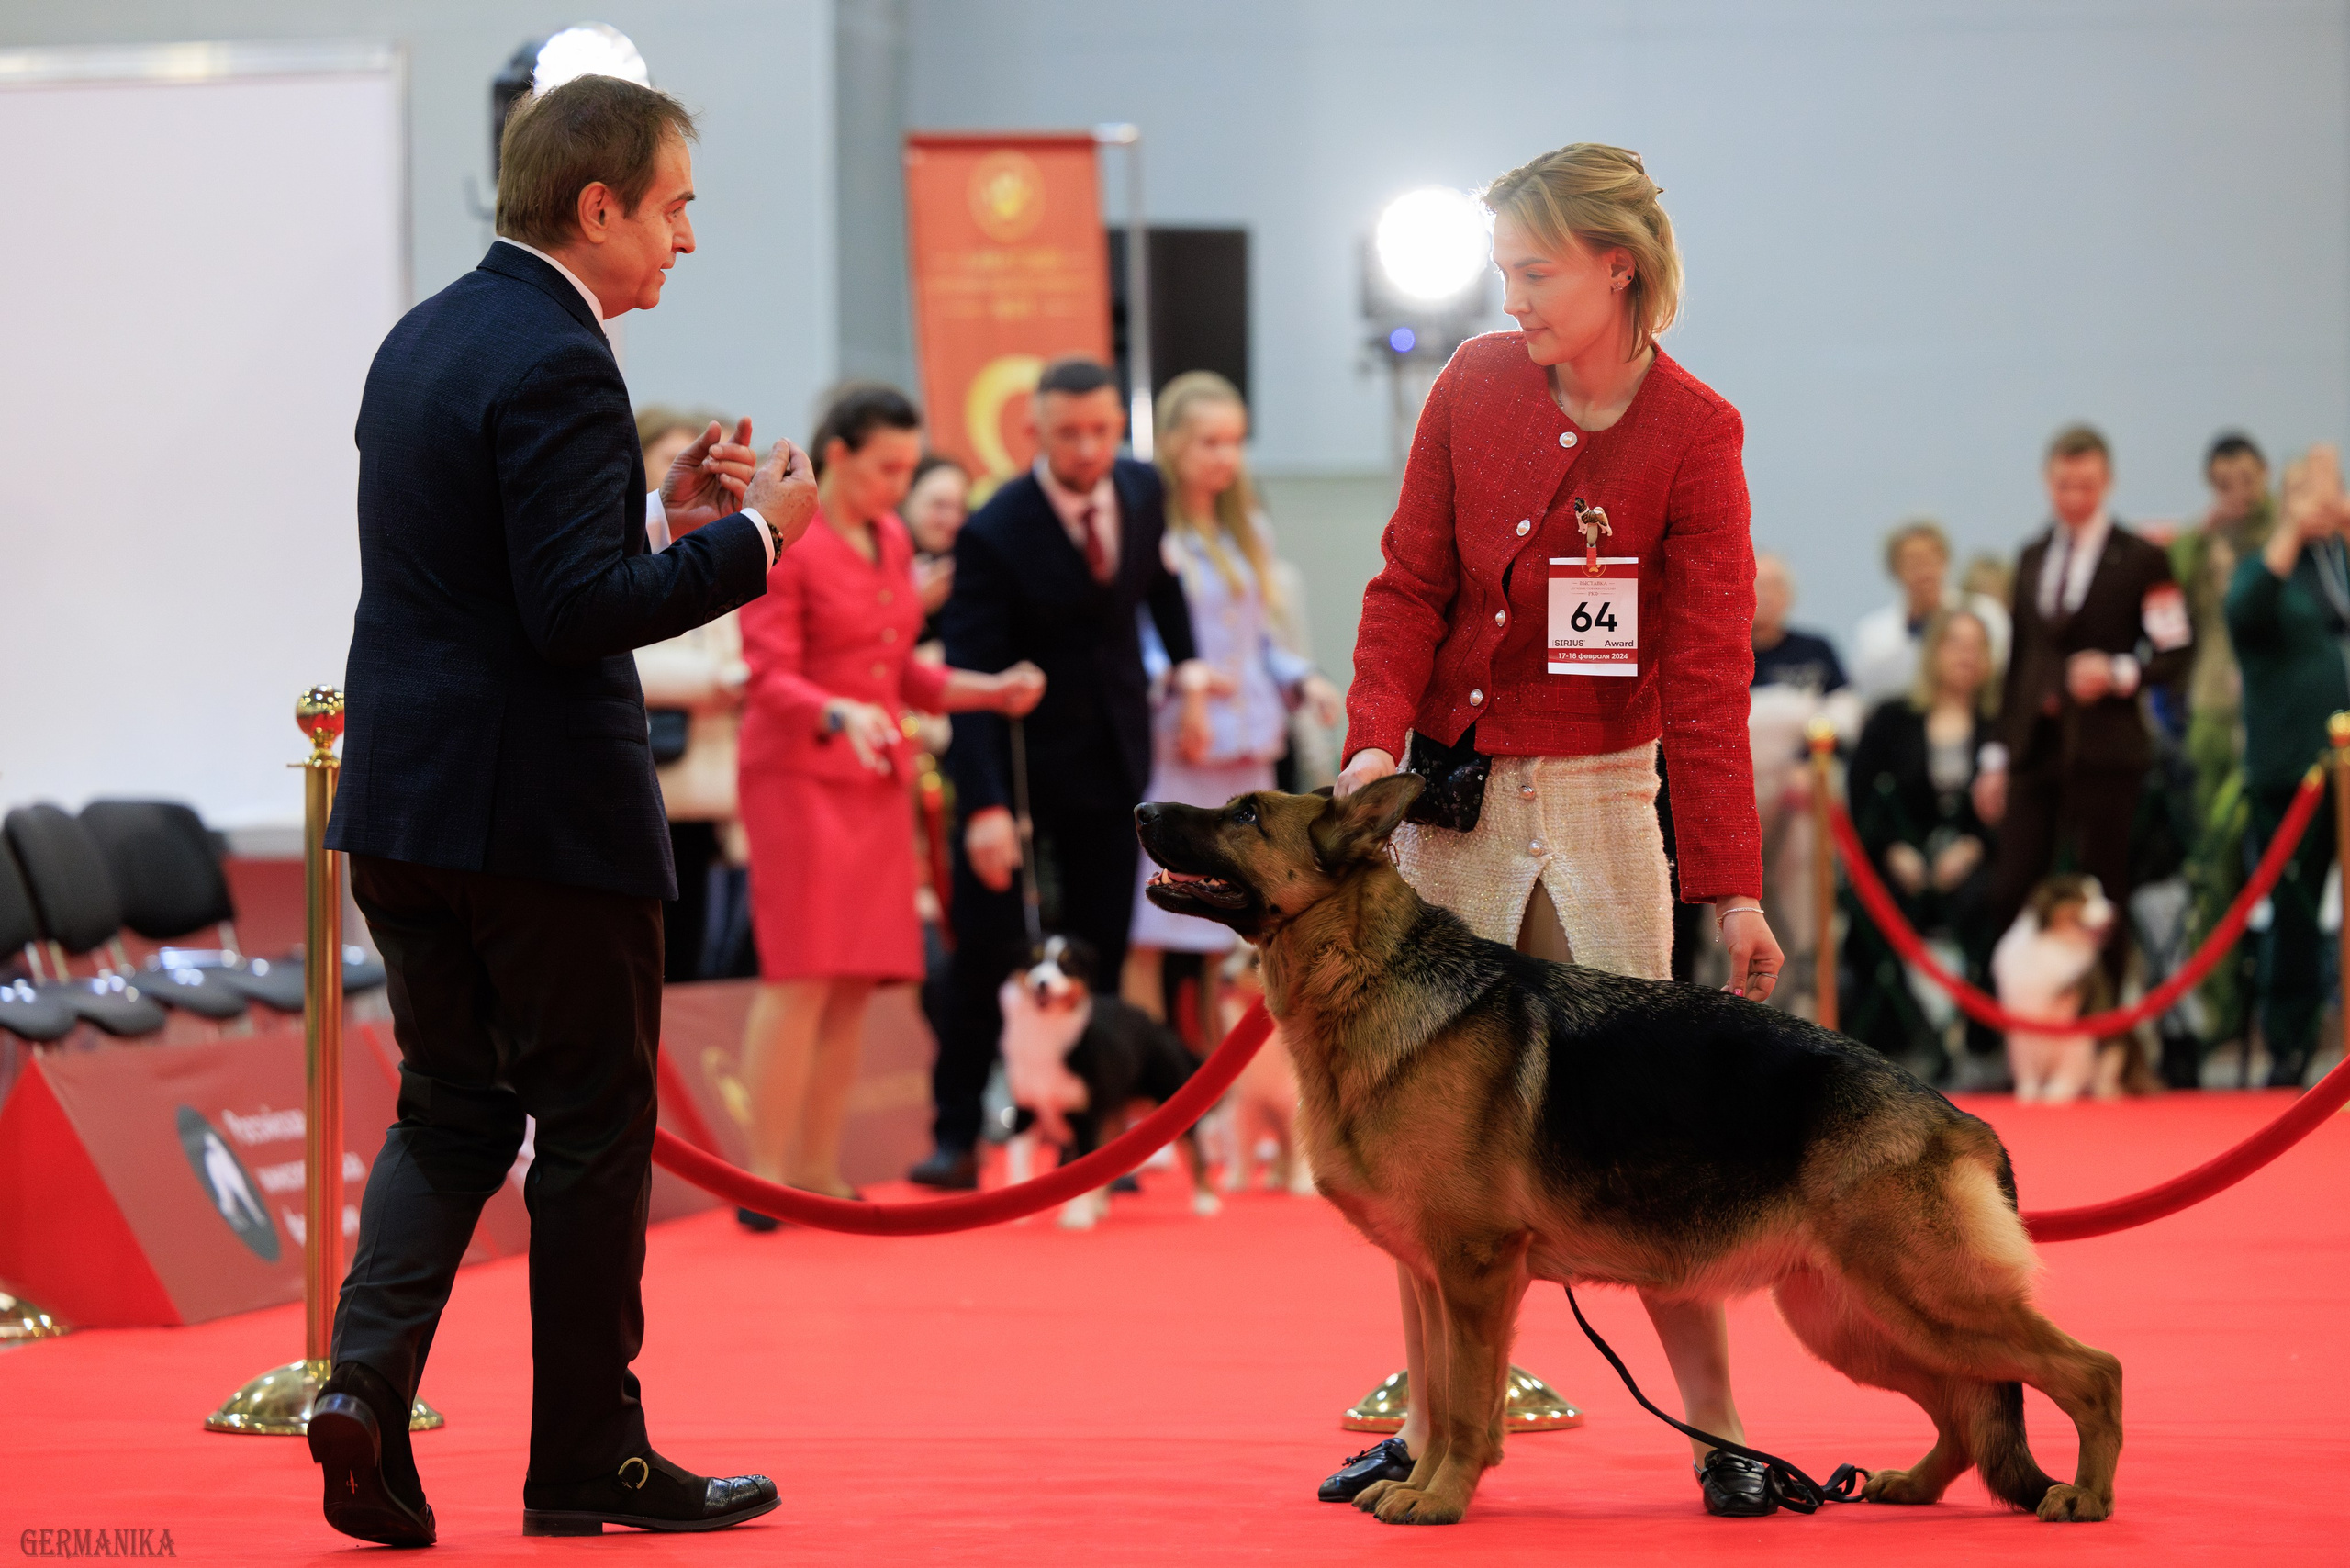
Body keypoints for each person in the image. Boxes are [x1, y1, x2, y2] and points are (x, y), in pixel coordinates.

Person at [319, 75, 817, 1543]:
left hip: (404, 806)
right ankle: (589, 1459)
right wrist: (755, 540)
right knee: (595, 1136)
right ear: (597, 207)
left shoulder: (426, 335)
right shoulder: (561, 356)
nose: (686, 241)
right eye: (672, 210)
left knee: (450, 1112)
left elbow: (494, 567)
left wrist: (658, 512)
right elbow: (570, 615)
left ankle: (362, 1389)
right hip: (537, 822)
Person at [1331, 143, 1787, 1518]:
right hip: (1450, 800)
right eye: (1504, 272)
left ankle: (1719, 1433)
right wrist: (1372, 737)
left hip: (1598, 805)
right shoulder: (1471, 385)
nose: (1511, 298)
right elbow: (1407, 584)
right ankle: (1428, 1429)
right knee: (1429, 1141)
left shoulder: (1698, 433)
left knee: (1650, 1135)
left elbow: (1705, 680)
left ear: (1617, 271)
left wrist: (1732, 887)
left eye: (1534, 273)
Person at [733, 386, 1043, 1220]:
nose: (900, 486)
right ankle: (763, 1174)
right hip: (798, 776)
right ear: (837, 456)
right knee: (801, 975)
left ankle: (815, 1166)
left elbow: (900, 669)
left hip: (874, 779)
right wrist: (836, 710)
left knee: (852, 982)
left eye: (909, 469)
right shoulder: (786, 535)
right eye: (887, 468)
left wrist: (988, 689)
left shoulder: (893, 537)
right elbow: (768, 672)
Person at [915, 357, 1202, 1189]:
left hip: (1115, 759)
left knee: (1099, 950)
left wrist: (1186, 666)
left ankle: (1095, 1141)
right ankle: (957, 1135)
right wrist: (984, 807)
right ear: (1032, 430)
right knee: (990, 950)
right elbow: (968, 675)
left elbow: (1161, 587)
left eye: (1102, 430)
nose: (1087, 448)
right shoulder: (995, 528)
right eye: (1069, 432)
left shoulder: (1143, 489)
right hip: (1018, 771)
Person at [1121, 371, 1343, 1027]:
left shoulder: (1245, 527)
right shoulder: (1147, 527)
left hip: (1246, 739)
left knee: (1229, 918)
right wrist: (1178, 679)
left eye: (1235, 442)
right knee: (1154, 921)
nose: (1226, 457)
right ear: (1173, 444)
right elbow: (1136, 634)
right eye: (1209, 442)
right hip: (1180, 736)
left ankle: (1215, 1075)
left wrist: (1304, 678)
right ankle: (1155, 1070)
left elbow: (1262, 640)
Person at [1979, 425, 2193, 998]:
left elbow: (2176, 650)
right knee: (2012, 886)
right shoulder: (2031, 557)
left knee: (2103, 893)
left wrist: (2120, 673)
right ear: (2047, 482)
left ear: (2108, 483)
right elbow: (2019, 663)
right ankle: (2020, 1019)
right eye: (2064, 485)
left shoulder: (2144, 558)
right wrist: (1996, 755)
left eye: (2087, 485)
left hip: (2106, 749)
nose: (2074, 497)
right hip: (2035, 747)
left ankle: (2104, 1025)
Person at [2223, 443, 2350, 1090]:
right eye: (2303, 491)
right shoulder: (2264, 567)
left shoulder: (2341, 557)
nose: (2317, 503)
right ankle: (2289, 1045)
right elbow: (2244, 613)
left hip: (2347, 769)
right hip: (2293, 768)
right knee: (2294, 913)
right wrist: (2294, 527)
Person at [1842, 609, 2002, 1075]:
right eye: (1956, 644)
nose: (1967, 656)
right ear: (1933, 652)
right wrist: (1893, 849)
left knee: (1993, 905)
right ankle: (1899, 1045)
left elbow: (2016, 804)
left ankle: (1983, 1044)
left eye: (1977, 646)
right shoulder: (1893, 719)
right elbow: (1862, 792)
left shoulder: (1999, 724)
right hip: (1899, 861)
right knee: (1869, 914)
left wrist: (1974, 846)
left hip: (1973, 861)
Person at [634, 405, 753, 982]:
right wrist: (710, 681)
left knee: (693, 959)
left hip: (705, 788)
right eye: (669, 458)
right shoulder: (618, 541)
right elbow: (613, 652)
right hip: (642, 783)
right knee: (644, 957)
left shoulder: (715, 541)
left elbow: (739, 651)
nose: (688, 472)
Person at [2176, 432, 2275, 1074]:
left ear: (2264, 475)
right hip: (2212, 711)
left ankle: (2282, 1017)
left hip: (2276, 715)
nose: (2235, 491)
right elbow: (2170, 602)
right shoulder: (2200, 542)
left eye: (2245, 478)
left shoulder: (2289, 534)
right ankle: (2220, 1014)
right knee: (2215, 869)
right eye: (2222, 481)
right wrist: (2199, 542)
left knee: (2284, 864)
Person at [1746, 554, 1852, 1018]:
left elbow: (1844, 715)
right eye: (1756, 584)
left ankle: (1809, 1002)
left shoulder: (1816, 649)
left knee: (1804, 899)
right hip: (1739, 797)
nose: (1764, 595)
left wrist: (1808, 762)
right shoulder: (1723, 647)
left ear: (1788, 595)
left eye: (1774, 586)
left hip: (1803, 796)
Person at [1850, 519, 2012, 705]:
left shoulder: (1985, 614)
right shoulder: (1872, 635)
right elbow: (1868, 691)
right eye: (1912, 561)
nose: (1923, 570)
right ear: (1894, 569)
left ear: (1945, 560)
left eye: (1930, 558)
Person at [904, 451, 969, 641]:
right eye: (939, 505)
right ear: (906, 498)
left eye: (960, 508)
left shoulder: (968, 562)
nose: (952, 520)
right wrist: (918, 603)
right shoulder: (878, 555)